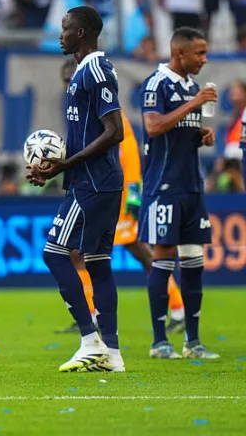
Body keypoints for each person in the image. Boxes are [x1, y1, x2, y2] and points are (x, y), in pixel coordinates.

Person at [55, 58, 186, 335]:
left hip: (118, 194)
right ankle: (89, 315)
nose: (69, 87)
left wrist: (134, 196)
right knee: (82, 253)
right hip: (99, 190)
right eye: (66, 83)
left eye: (71, 81)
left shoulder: (106, 111)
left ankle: (178, 308)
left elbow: (127, 155)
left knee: (137, 251)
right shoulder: (84, 112)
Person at [27, 6, 125, 373]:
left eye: (66, 28)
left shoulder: (96, 70)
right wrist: (55, 170)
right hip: (94, 180)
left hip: (93, 183)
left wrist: (67, 164)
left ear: (81, 33)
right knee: (98, 264)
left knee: (54, 254)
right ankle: (112, 355)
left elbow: (115, 130)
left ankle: (89, 339)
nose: (60, 34)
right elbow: (88, 134)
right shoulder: (84, 72)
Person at [137, 27, 220, 361]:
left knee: (194, 263)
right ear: (179, 53)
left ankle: (193, 342)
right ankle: (160, 342)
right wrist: (194, 105)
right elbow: (153, 126)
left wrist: (200, 134)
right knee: (164, 259)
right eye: (199, 53)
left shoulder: (192, 87)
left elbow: (175, 132)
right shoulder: (157, 83)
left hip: (191, 186)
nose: (204, 59)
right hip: (164, 187)